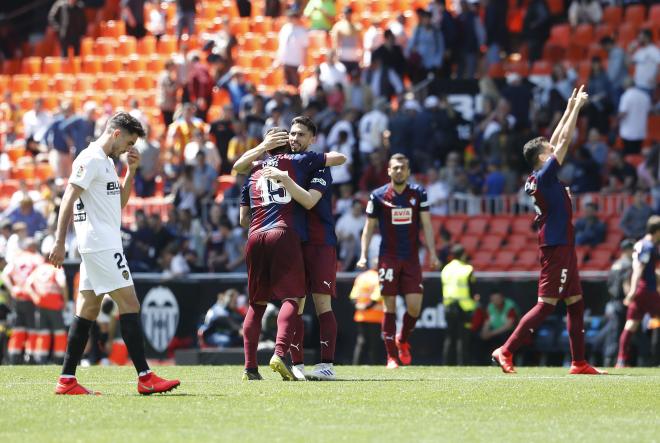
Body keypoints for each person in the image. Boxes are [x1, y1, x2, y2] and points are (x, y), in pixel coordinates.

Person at [48, 111, 180, 395]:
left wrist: (130, 173)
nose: (129, 148)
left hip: (101, 243)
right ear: (116, 133)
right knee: (130, 303)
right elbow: (68, 197)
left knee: (88, 309)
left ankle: (67, 380)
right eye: (129, 141)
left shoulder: (107, 162)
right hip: (100, 244)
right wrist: (59, 241)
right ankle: (145, 376)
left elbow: (118, 203)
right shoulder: (91, 158)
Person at [491, 85, 606, 375]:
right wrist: (578, 110)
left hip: (562, 243)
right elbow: (564, 139)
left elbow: (555, 139)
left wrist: (568, 108)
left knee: (576, 302)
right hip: (556, 245)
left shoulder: (538, 176)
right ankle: (505, 350)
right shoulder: (543, 177)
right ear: (543, 159)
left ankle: (579, 363)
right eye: (548, 151)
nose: (553, 150)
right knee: (546, 305)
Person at [233, 125, 346, 381]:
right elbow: (338, 159)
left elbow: (242, 219)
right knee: (294, 299)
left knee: (258, 304)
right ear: (285, 141)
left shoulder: (254, 170)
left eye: (300, 134)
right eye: (291, 135)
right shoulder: (298, 161)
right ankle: (284, 355)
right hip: (286, 235)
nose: (295, 139)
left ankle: (251, 368)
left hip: (261, 236)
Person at [356, 153, 440, 369]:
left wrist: (432, 252)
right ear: (389, 170)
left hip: (411, 258)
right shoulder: (378, 195)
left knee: (414, 308)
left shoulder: (419, 193)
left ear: (409, 171)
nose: (399, 171)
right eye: (395, 168)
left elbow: (427, 226)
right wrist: (364, 254)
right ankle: (392, 356)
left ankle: (402, 339)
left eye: (403, 167)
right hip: (388, 258)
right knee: (389, 306)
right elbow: (369, 227)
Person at [616, 217, 660, 368]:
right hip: (647, 290)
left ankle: (621, 360)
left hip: (641, 291)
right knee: (650, 321)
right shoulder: (648, 246)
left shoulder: (640, 243)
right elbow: (639, 269)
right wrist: (633, 290)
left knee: (631, 325)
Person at [2, 239, 44, 364]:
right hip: (32, 298)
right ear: (34, 246)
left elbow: (4, 275)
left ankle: (14, 356)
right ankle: (30, 356)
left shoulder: (17, 258)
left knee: (18, 328)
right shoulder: (37, 258)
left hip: (19, 297)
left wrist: (12, 289)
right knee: (32, 328)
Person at [24, 250, 68, 364]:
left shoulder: (38, 269)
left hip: (40, 305)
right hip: (54, 305)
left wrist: (35, 298)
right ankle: (59, 360)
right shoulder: (57, 268)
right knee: (59, 333)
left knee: (43, 333)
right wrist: (66, 302)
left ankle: (40, 359)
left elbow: (28, 285)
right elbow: (62, 284)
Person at [441, 244, 476, 365]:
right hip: (464, 307)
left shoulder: (446, 269)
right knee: (463, 337)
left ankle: (447, 363)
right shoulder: (467, 269)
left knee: (450, 336)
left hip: (449, 306)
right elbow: (472, 289)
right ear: (463, 255)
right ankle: (463, 363)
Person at [350, 258, 384, 365]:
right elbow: (377, 298)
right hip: (375, 316)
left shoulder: (361, 277)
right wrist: (366, 307)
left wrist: (359, 306)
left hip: (361, 316)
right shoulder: (379, 278)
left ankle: (356, 365)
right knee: (375, 344)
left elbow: (353, 296)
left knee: (361, 342)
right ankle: (375, 364)